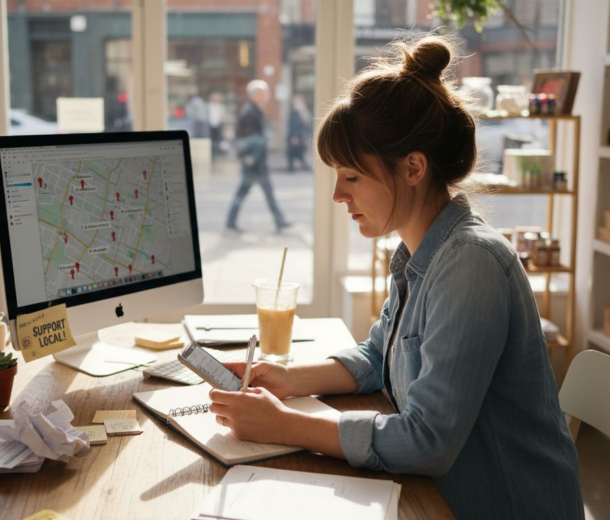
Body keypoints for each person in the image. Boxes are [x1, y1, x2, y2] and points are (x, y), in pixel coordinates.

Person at [208, 37, 583, 520]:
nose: (338, 195)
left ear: (412, 168)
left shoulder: (471, 264)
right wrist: (288, 379)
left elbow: (427, 442)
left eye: (353, 177)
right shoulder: (418, 253)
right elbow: (376, 355)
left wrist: (284, 425)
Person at [225, 80, 290, 233]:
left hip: (255, 161)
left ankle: (279, 221)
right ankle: (279, 221)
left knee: (260, 192)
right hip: (253, 162)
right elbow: (248, 140)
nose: (267, 96)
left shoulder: (253, 110)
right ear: (256, 95)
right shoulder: (250, 112)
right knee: (251, 192)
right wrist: (250, 157)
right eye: (264, 93)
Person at [286, 94, 311, 172]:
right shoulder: (293, 113)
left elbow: (307, 125)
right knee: (293, 152)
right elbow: (292, 126)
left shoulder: (303, 112)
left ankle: (303, 165)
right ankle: (291, 167)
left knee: (300, 152)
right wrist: (294, 137)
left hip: (301, 136)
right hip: (294, 136)